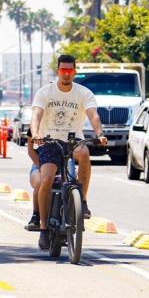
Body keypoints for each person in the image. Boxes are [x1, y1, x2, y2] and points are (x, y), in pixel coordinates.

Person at [31, 54, 108, 250]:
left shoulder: (84, 93)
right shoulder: (45, 92)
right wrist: (37, 133)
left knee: (84, 154)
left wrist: (99, 133)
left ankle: (82, 200)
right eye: (63, 71)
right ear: (58, 71)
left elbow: (93, 116)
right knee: (47, 179)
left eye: (70, 71)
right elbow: (36, 116)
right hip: (49, 141)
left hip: (73, 141)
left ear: (74, 72)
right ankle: (43, 228)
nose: (66, 74)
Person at [24, 129, 41, 231]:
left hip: (62, 166)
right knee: (40, 182)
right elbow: (30, 151)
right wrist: (41, 166)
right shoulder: (35, 125)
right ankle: (36, 216)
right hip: (39, 164)